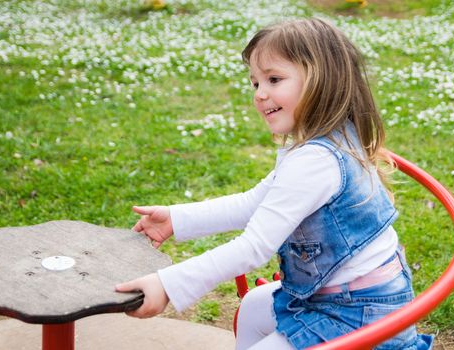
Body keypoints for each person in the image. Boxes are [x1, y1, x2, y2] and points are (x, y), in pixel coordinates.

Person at [115, 18, 433, 350]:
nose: (260, 94)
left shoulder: (317, 161)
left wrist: (169, 285)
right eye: (255, 83)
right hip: (343, 297)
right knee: (254, 307)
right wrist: (177, 219)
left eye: (274, 79)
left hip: (362, 316)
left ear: (322, 80)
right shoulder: (320, 143)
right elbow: (254, 203)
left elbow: (254, 246)